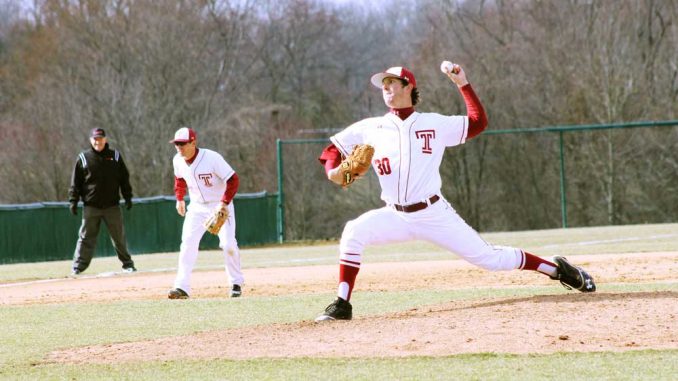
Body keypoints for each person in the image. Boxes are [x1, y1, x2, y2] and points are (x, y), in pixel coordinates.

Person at [315, 64, 596, 321]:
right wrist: (332, 171)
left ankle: (556, 268)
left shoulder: (434, 124)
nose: (385, 88)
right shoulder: (370, 128)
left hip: (433, 213)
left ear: (408, 86)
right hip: (395, 214)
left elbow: (478, 122)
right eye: (383, 85)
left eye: (391, 83)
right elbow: (331, 150)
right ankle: (342, 304)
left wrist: (463, 84)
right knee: (353, 232)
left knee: (491, 259)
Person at [168, 127, 244, 299]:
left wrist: (224, 203)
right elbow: (179, 179)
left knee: (228, 244)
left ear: (193, 142)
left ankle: (236, 282)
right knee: (187, 243)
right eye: (176, 144)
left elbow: (233, 179)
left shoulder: (212, 158)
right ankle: (181, 287)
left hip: (220, 205)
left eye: (182, 144)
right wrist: (179, 198)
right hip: (197, 207)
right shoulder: (177, 160)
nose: (179, 147)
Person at [68, 128, 137, 275]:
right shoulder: (83, 158)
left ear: (105, 139)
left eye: (100, 139)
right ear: (90, 140)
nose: (97, 141)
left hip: (112, 206)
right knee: (85, 238)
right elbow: (76, 182)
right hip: (91, 207)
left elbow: (124, 179)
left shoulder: (115, 156)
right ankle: (78, 267)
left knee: (119, 237)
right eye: (95, 139)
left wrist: (128, 196)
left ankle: (128, 264)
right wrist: (73, 200)